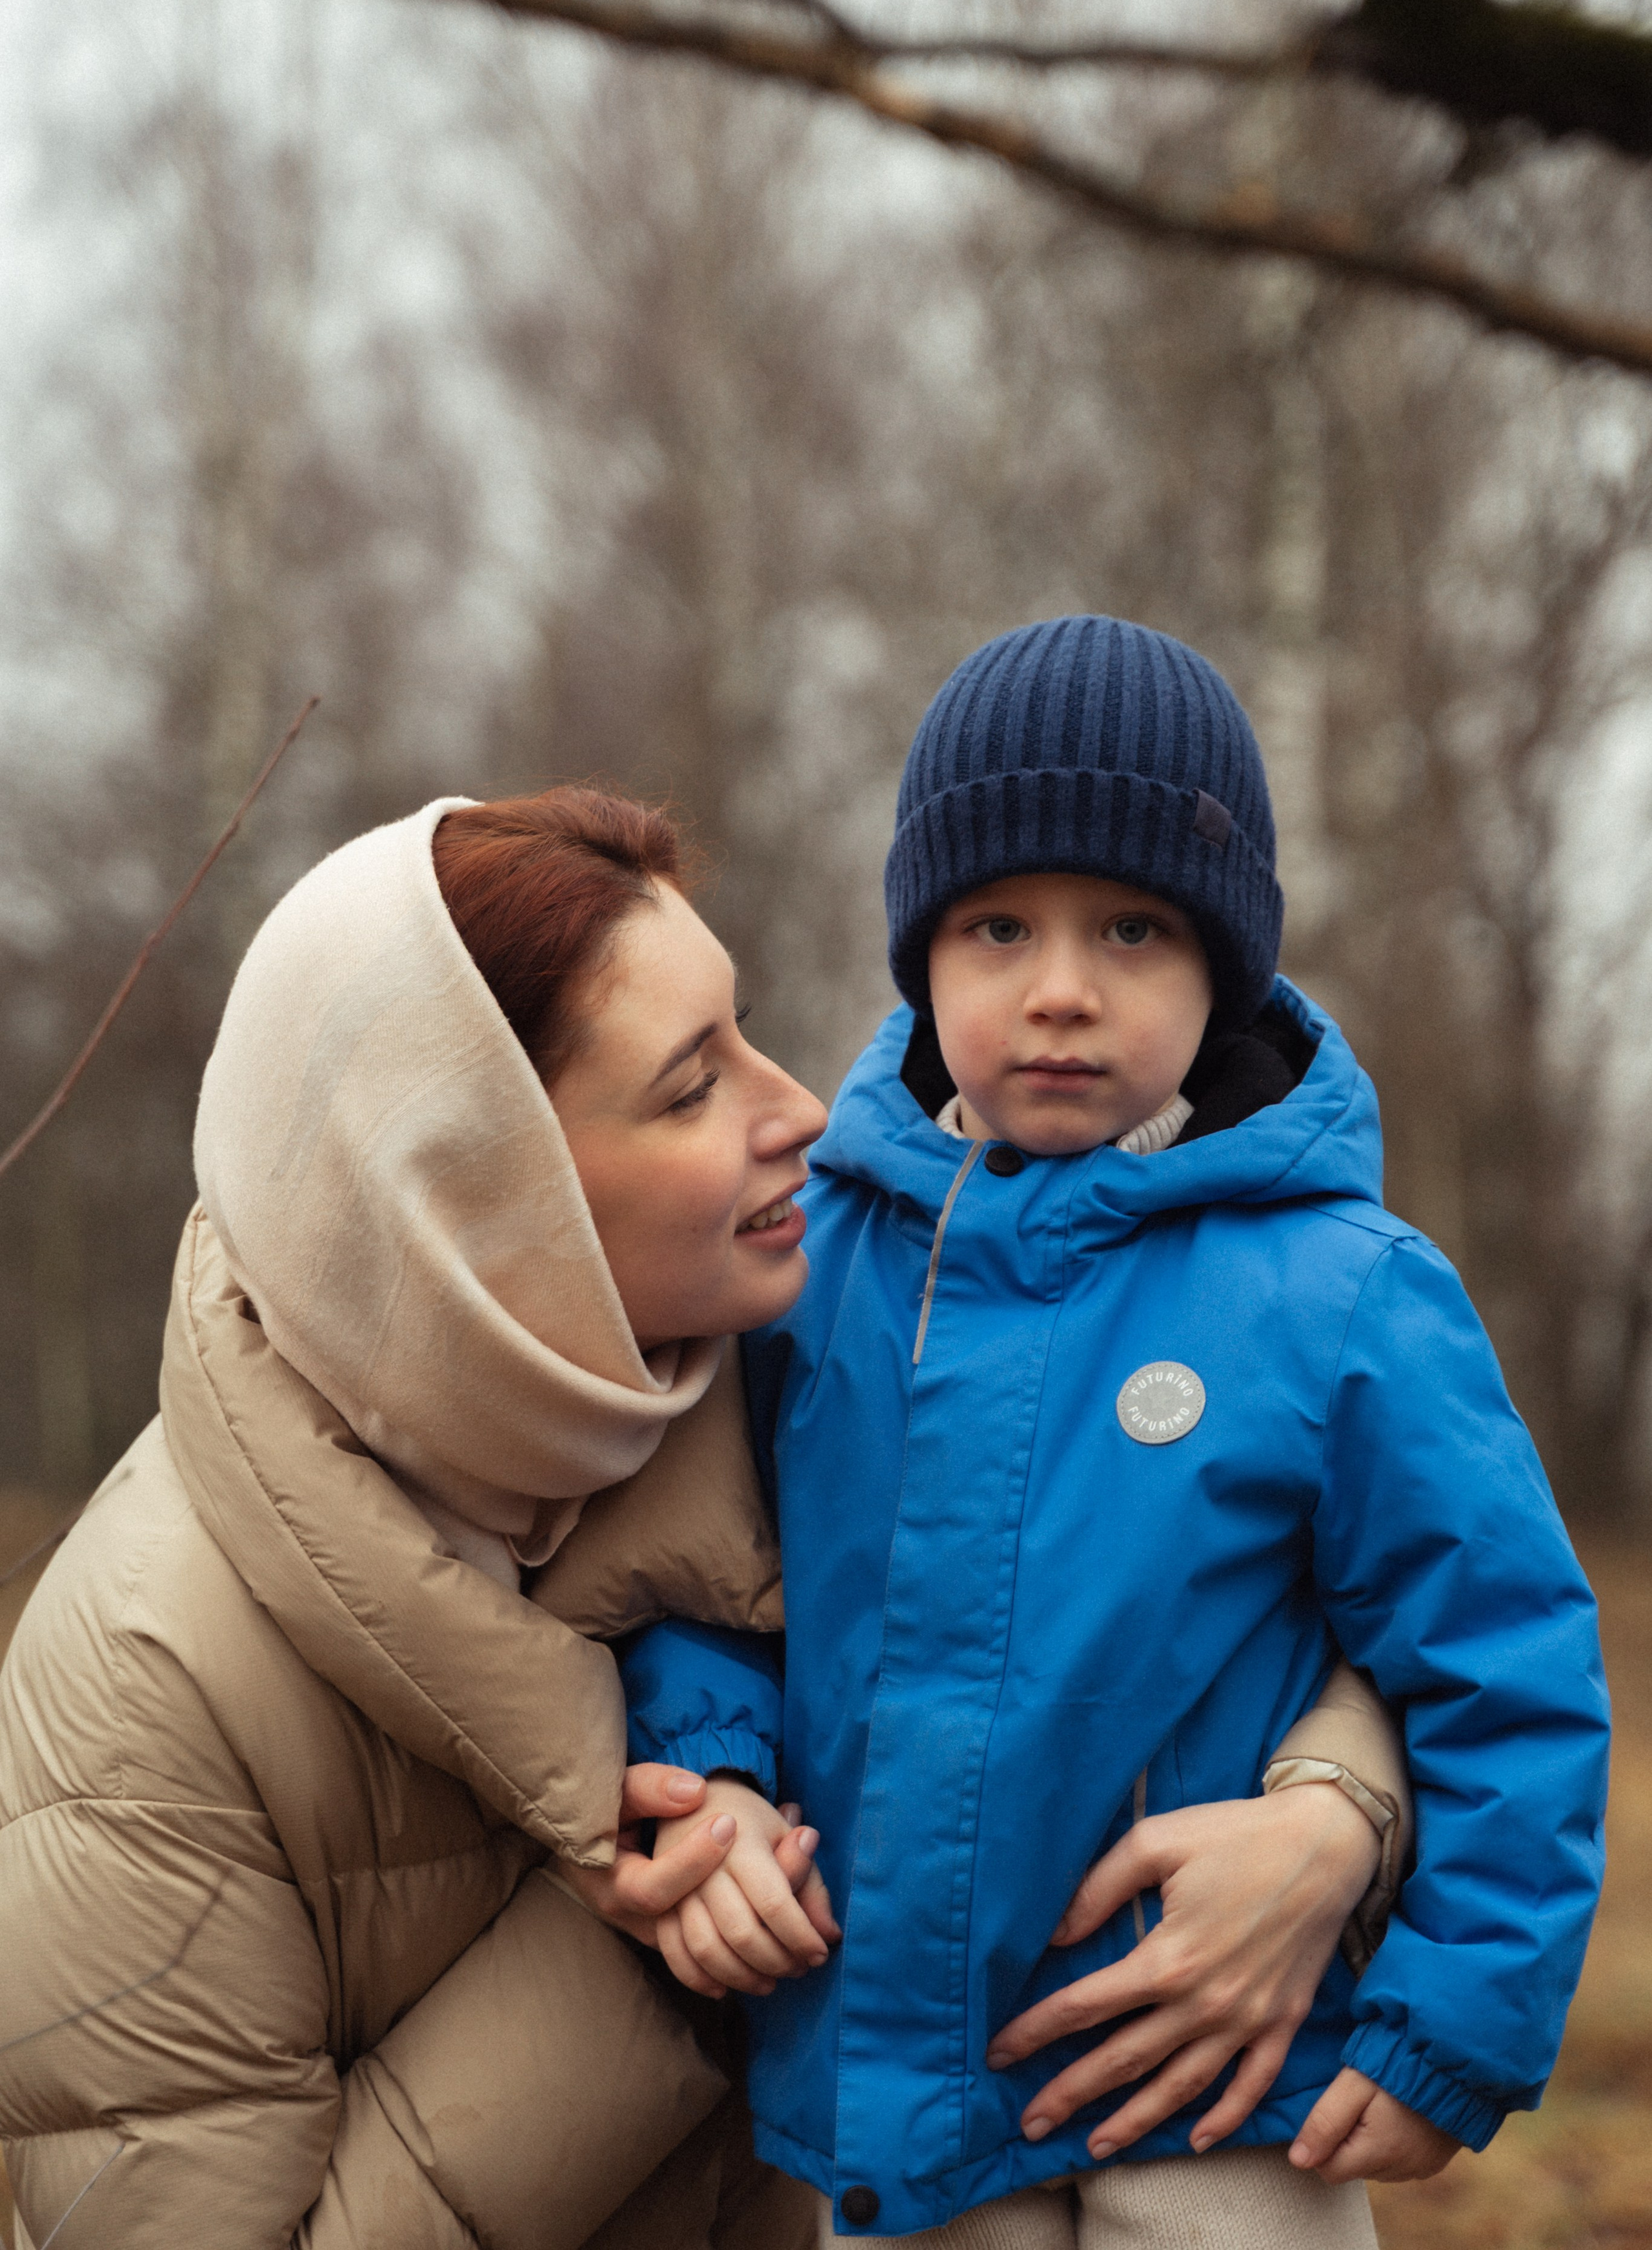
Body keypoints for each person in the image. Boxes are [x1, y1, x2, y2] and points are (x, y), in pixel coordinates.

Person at [0, 779, 1398, 2250]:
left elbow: (1269, 1589)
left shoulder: (782, 1377)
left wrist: (1332, 1813)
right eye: (691, 1084)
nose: (799, 1104)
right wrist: (675, 1930)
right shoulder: (140, 1697)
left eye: (743, 1029)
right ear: (475, 1208)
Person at [618, 616, 1613, 2247]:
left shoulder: (1339, 1287)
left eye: (1133, 928)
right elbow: (706, 1584)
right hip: (895, 2086)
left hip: (1214, 2085)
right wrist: (712, 1777)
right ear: (922, 953)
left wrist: (1456, 2016)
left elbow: (1501, 1657)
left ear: (1222, 962)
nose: (1060, 990)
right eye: (998, 924)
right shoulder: (817, 1264)